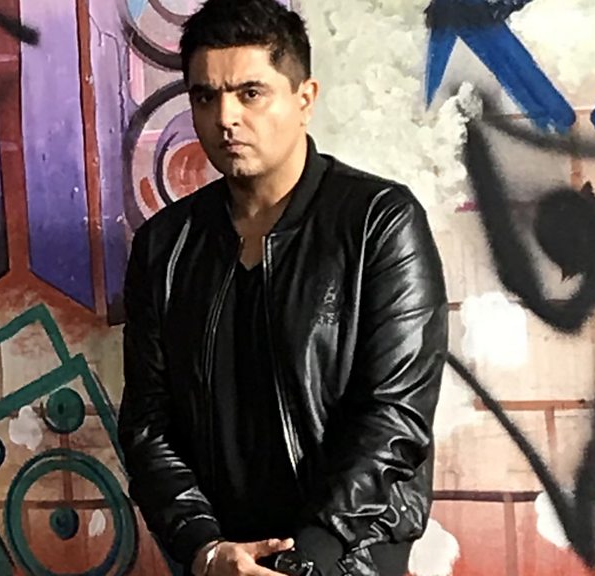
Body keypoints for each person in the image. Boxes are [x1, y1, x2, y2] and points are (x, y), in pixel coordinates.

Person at [117, 0, 448, 574]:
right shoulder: (164, 247)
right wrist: (206, 549)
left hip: (349, 555)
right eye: (205, 97)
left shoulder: (377, 222)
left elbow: (395, 415)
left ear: (304, 99)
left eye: (250, 93)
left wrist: (309, 557)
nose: (225, 118)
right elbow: (149, 425)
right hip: (221, 561)